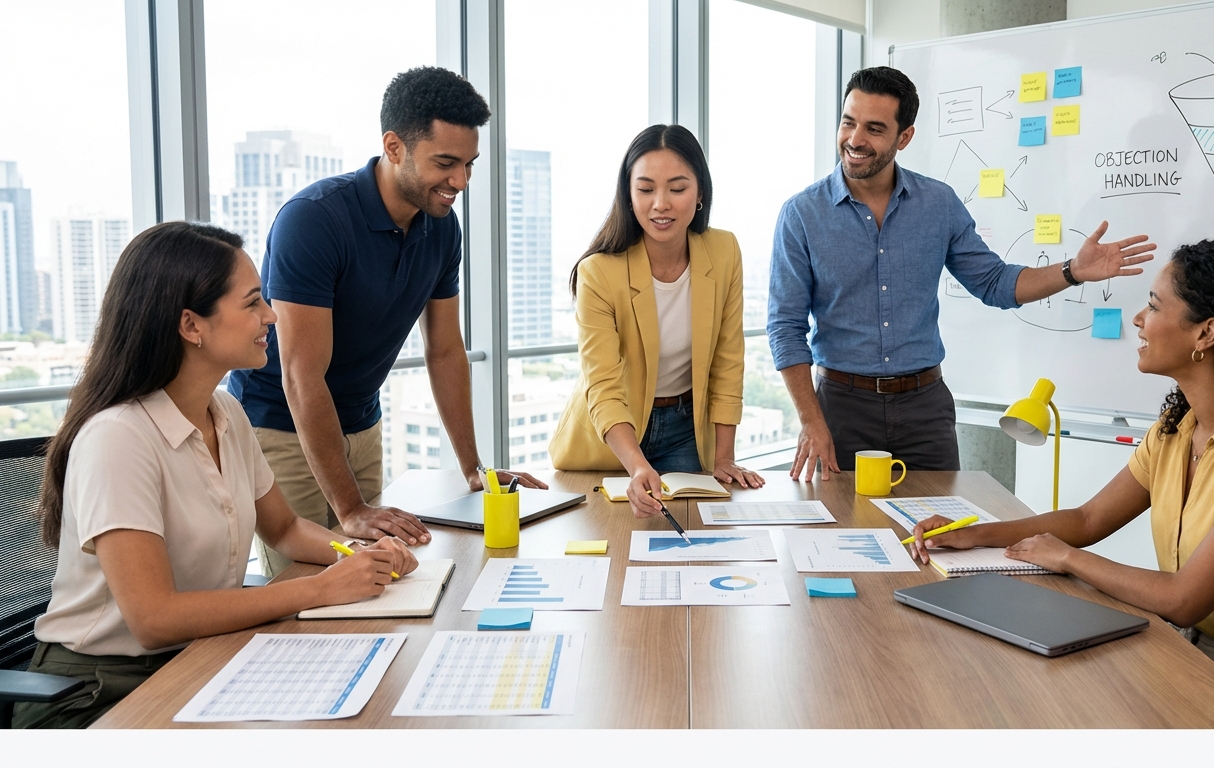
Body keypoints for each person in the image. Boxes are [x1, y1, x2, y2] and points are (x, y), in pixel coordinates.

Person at [910, 239, 1214, 729]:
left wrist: (1068, 557)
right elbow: (1088, 518)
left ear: (1206, 333)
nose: (1138, 320)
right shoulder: (1177, 431)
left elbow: (1185, 599)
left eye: (1154, 305)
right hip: (1194, 657)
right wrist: (976, 533)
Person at [17, 222, 417, 729]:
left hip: (199, 660)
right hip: (96, 692)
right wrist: (320, 589)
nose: (270, 316)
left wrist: (359, 556)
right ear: (191, 325)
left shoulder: (225, 411)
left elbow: (286, 530)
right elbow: (154, 619)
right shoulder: (117, 437)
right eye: (252, 303)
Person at [228, 66, 543, 577]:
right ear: (394, 147)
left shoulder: (442, 229)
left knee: (375, 581)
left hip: (362, 424)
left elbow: (444, 350)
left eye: (469, 165)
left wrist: (473, 471)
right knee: (307, 595)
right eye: (446, 163)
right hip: (281, 426)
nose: (460, 182)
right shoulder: (314, 220)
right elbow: (300, 377)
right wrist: (350, 509)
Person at [768, 66, 1156, 480]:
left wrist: (1072, 271)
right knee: (845, 536)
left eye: (874, 128)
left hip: (924, 408)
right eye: (849, 122)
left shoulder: (938, 204)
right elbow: (785, 327)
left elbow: (995, 283)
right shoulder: (802, 214)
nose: (855, 140)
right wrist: (812, 421)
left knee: (940, 535)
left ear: (904, 137)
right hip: (841, 409)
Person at [549, 125, 764, 517]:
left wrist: (724, 457)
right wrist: (636, 464)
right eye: (646, 189)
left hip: (685, 430)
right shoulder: (598, 271)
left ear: (700, 193)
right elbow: (604, 388)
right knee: (613, 546)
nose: (660, 203)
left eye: (677, 189)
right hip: (611, 440)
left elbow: (728, 360)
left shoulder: (724, 250)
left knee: (689, 545)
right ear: (629, 196)